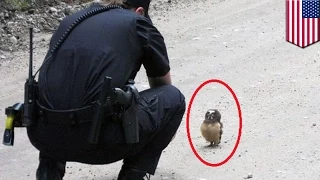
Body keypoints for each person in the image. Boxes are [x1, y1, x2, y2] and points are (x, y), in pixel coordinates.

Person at [25, 0, 186, 179]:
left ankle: (48, 175)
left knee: (60, 98)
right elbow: (163, 86)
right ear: (140, 11)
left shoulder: (70, 21)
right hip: (99, 141)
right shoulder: (138, 23)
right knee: (174, 99)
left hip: (44, 136)